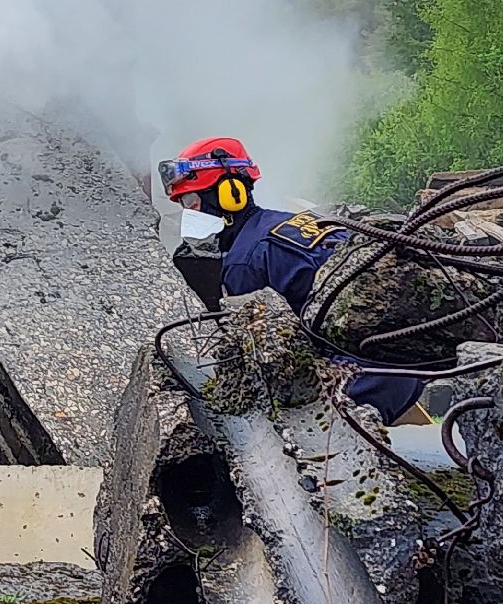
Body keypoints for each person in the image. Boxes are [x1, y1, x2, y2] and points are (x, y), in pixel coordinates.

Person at [158, 137, 424, 423]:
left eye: (192, 201)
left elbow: (267, 359)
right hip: (407, 370)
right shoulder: (293, 222)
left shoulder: (244, 262)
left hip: (363, 380)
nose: (189, 213)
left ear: (230, 193)